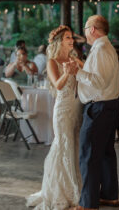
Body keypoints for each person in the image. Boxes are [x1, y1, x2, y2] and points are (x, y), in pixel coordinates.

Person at [26, 25, 83, 209]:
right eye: (67, 37)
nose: (71, 40)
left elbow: (86, 75)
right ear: (59, 42)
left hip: (76, 108)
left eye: (71, 37)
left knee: (74, 148)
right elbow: (58, 85)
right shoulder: (52, 61)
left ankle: (76, 188)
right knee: (63, 147)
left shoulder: (75, 59)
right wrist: (67, 72)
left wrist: (79, 67)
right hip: (62, 110)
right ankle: (62, 191)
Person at [70, 15, 119, 210]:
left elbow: (98, 82)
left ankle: (88, 204)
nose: (84, 32)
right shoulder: (105, 47)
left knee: (88, 155)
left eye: (85, 28)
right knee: (107, 153)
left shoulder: (100, 50)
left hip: (99, 107)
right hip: (109, 106)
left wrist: (77, 72)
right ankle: (109, 196)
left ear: (92, 29)